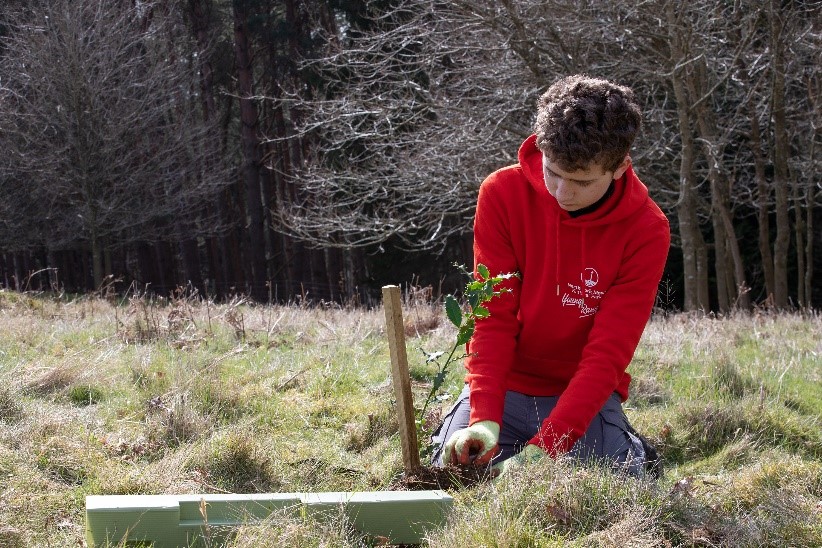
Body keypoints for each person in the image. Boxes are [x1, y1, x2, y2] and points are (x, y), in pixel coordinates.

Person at [431, 75, 670, 477]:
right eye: (552, 172)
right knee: (452, 471)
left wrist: (549, 447)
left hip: (581, 396)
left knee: (615, 481)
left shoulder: (647, 230)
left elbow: (607, 354)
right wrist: (484, 419)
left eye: (581, 181)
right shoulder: (501, 194)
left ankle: (633, 449)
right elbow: (492, 318)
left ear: (620, 167)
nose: (562, 192)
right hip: (506, 386)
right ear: (540, 148)